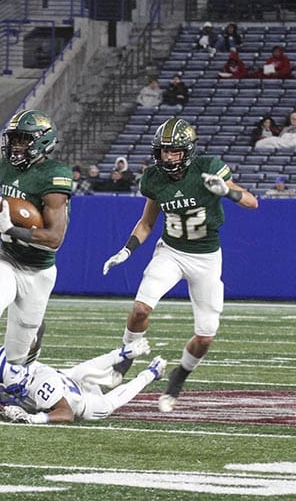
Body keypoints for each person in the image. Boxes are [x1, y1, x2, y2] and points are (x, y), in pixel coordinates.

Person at [102, 118, 258, 413]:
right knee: (140, 309)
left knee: (205, 337)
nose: (168, 157)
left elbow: (252, 202)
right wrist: (127, 250)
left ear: (188, 151)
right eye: (164, 151)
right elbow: (147, 223)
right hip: (171, 252)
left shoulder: (208, 168)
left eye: (174, 151)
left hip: (206, 258)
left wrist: (226, 191)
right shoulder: (153, 178)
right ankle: (127, 355)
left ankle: (178, 377)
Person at [0, 109, 72, 410]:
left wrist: (11, 229)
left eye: (23, 139)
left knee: (17, 356)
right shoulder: (7, 166)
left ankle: (15, 391)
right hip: (6, 257)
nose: (16, 146)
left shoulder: (55, 175)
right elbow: (8, 212)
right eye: (14, 139)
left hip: (39, 269)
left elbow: (55, 238)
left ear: (41, 141)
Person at [0, 341, 165, 424]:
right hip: (66, 377)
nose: (4, 395)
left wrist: (33, 418)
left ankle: (151, 372)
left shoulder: (40, 383)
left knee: (107, 403)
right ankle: (122, 355)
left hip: (79, 400)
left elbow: (66, 413)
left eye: (11, 390)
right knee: (81, 371)